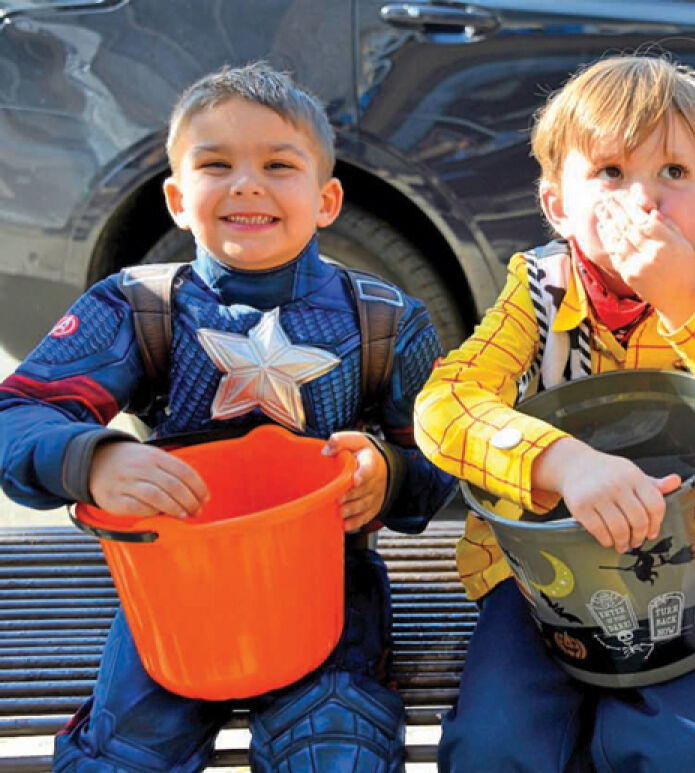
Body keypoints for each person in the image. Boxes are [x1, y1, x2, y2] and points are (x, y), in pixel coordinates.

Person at [0, 62, 456, 771]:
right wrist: (94, 459)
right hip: (173, 596)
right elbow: (18, 413)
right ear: (178, 198)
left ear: (327, 197)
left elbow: (443, 454)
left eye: (279, 163)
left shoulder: (385, 320)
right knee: (122, 753)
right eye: (217, 164)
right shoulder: (139, 307)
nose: (247, 184)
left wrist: (388, 473)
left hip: (326, 592)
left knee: (335, 744)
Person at [414, 55, 695, 771]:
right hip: (543, 586)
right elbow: (442, 408)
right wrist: (559, 462)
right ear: (558, 206)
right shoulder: (536, 289)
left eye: (673, 174)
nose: (643, 201)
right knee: (498, 742)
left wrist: (687, 306)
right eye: (609, 172)